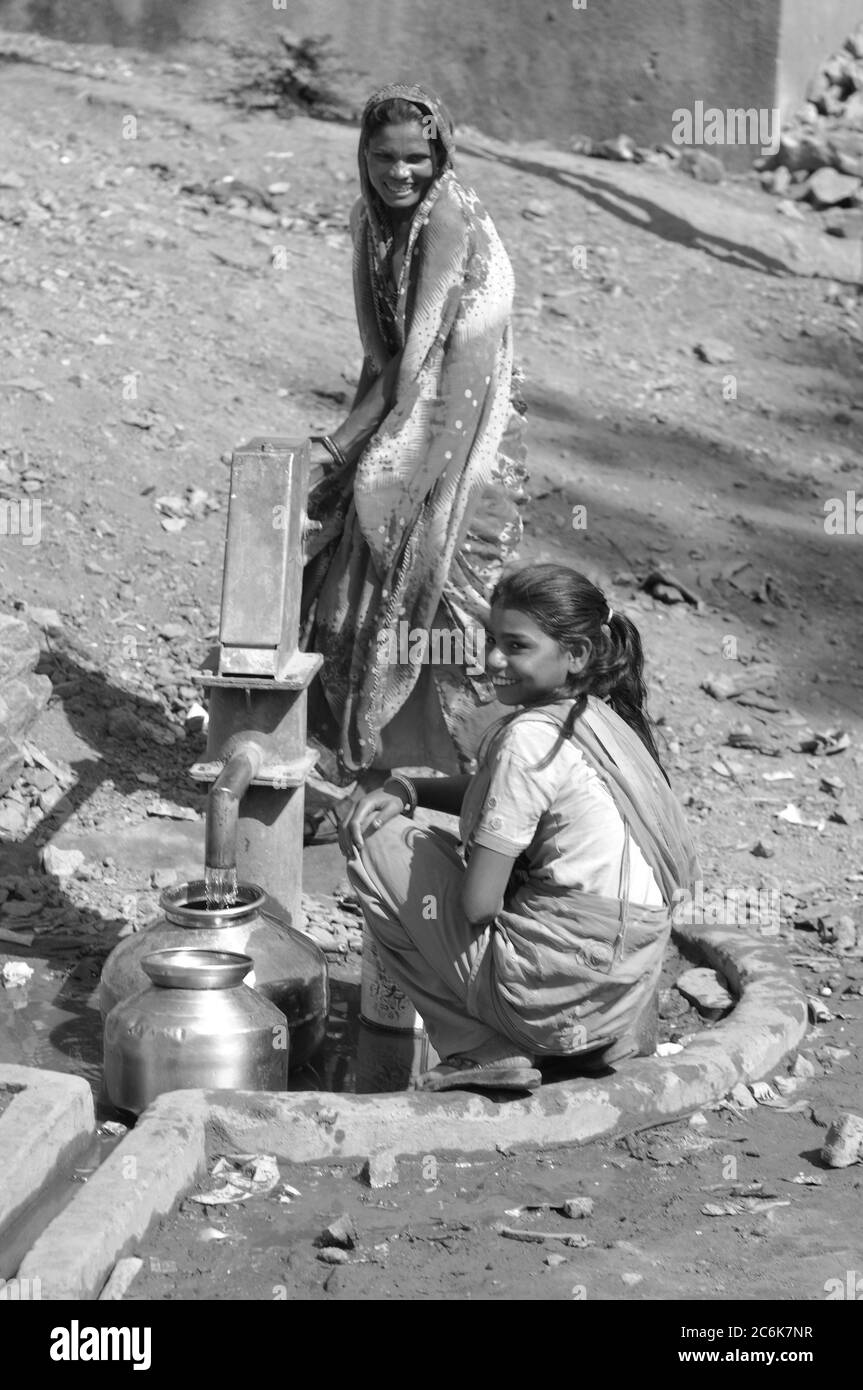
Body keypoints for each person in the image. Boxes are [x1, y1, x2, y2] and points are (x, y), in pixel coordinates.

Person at [339, 563, 700, 1094]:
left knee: (377, 843)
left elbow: (479, 904)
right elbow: (508, 796)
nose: (492, 660)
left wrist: (455, 863)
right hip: (622, 990)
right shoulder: (599, 718)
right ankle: (586, 1040)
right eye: (490, 640)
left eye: (516, 646)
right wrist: (410, 789)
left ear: (575, 655)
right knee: (458, 857)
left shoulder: (529, 739)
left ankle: (481, 1047)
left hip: (554, 993)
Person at [300, 84, 527, 831]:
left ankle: (467, 793)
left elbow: (424, 357)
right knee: (351, 584)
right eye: (383, 157)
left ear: (441, 157)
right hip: (405, 410)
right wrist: (346, 437)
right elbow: (387, 353)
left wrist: (341, 445)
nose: (399, 172)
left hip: (446, 435)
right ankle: (364, 771)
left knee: (423, 591)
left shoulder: (445, 220)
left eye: (415, 158)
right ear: (361, 157)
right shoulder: (374, 221)